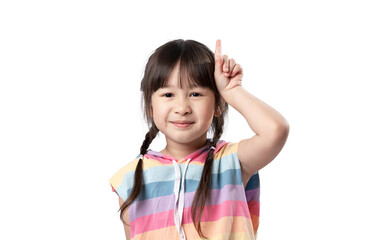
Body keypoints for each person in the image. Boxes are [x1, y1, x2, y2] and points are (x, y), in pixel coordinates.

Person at [110, 39, 289, 240]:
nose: (182, 107)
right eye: (168, 94)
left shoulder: (232, 162)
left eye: (195, 93)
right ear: (150, 106)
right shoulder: (130, 179)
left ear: (218, 104)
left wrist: (231, 90)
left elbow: (275, 129)